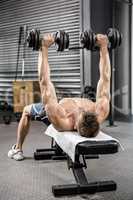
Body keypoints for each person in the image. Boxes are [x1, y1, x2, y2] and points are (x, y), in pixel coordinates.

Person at [8, 33, 111, 161]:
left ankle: (17, 148)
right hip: (65, 100)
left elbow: (44, 82)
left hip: (56, 107)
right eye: (84, 111)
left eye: (79, 115)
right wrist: (104, 47)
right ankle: (18, 147)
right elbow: (105, 78)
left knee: (26, 111)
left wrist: (44, 48)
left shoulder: (61, 119)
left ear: (74, 127)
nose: (81, 110)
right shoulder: (100, 111)